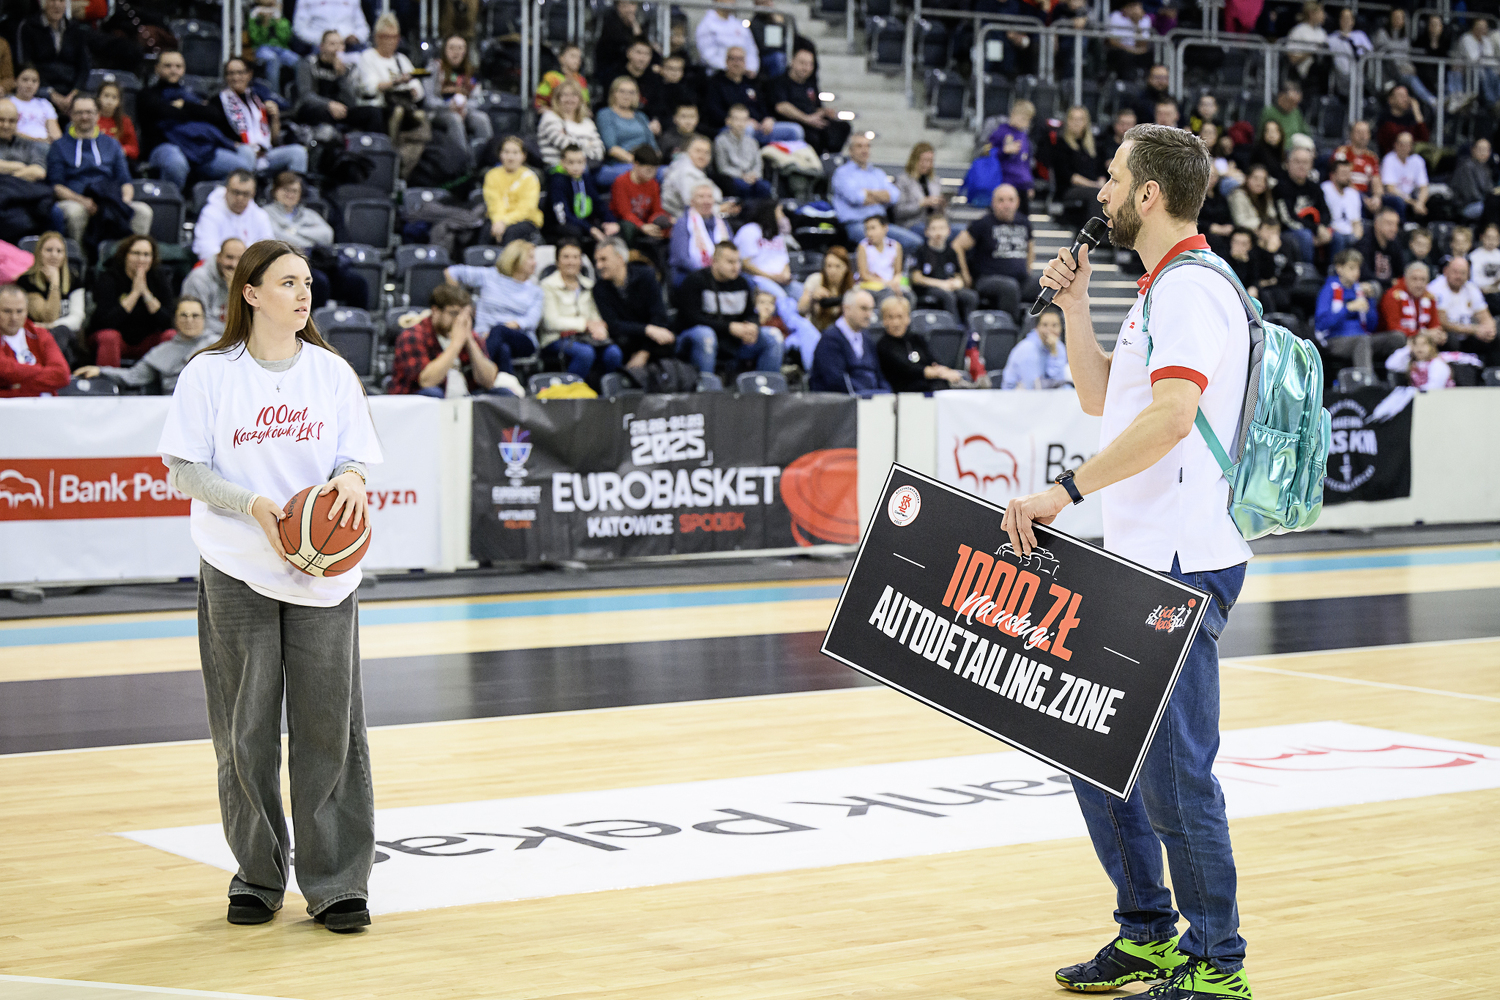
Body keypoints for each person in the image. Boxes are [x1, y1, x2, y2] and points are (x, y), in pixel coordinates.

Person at [1014, 121, 1255, 1000]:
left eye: (1113, 179)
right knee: (1090, 747)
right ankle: (1148, 931)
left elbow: (1172, 419)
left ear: (1149, 194)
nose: (1102, 193)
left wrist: (1064, 491)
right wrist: (1075, 309)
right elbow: (1099, 398)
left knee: (1175, 775)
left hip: (1183, 563)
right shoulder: (1159, 290)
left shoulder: (1190, 288)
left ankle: (1217, 962)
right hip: (1142, 558)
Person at [157, 239, 381, 933]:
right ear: (250, 293)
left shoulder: (332, 371)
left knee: (330, 730)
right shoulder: (210, 372)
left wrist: (350, 479)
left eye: (307, 282)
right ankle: (257, 875)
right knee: (244, 731)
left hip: (323, 577)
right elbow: (185, 469)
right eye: (288, 282)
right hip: (237, 565)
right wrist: (255, 507)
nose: (303, 293)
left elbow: (354, 456)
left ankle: (338, 882)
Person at [46, 94, 153, 246]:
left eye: (89, 112)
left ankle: (129, 256)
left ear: (97, 115)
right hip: (75, 199)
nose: (84, 117)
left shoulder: (112, 144)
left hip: (109, 198)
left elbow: (125, 181)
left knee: (143, 212)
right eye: (79, 113)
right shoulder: (59, 146)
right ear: (71, 115)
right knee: (75, 213)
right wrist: (82, 201)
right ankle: (81, 259)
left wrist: (122, 203)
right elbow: (56, 186)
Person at [674, 241, 782, 375]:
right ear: (714, 262)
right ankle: (705, 385)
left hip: (733, 341)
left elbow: (750, 314)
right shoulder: (695, 281)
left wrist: (752, 325)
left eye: (738, 262)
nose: (736, 267)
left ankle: (766, 385)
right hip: (696, 339)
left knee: (773, 336)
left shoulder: (742, 283)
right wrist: (729, 327)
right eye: (730, 262)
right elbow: (691, 319)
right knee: (705, 335)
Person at [733, 199, 819, 366]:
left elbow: (784, 260)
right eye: (779, 211)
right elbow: (745, 264)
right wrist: (772, 277)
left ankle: (806, 333)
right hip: (758, 279)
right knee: (781, 297)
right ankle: (796, 331)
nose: (782, 216)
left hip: (781, 279)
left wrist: (786, 274)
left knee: (805, 293)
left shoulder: (776, 233)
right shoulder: (749, 230)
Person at [73, 296, 211, 394]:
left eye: (195, 316)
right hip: (174, 408)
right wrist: (100, 371)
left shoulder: (218, 345)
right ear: (175, 319)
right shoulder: (161, 352)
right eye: (184, 315)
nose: (189, 320)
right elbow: (132, 376)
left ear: (204, 319)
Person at [387, 282, 504, 396]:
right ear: (435, 311)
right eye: (454, 313)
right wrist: (456, 344)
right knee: (432, 393)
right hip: (422, 399)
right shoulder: (413, 335)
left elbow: (489, 382)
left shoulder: (470, 335)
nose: (460, 320)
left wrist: (470, 342)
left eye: (466, 314)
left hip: (464, 397)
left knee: (502, 393)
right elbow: (426, 382)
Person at [442, 239, 543, 369]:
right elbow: (451, 272)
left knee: (499, 331)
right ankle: (502, 380)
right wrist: (463, 305)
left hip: (521, 339)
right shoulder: (490, 276)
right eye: (530, 258)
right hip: (486, 337)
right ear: (516, 258)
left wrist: (508, 326)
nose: (535, 263)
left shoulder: (536, 291)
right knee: (503, 350)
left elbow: (531, 320)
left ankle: (475, 369)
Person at [205, 57, 308, 178]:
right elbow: (216, 135)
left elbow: (274, 141)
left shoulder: (257, 98)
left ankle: (292, 188)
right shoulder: (219, 101)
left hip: (265, 153)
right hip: (237, 152)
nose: (235, 77)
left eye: (240, 73)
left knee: (298, 152)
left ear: (249, 74)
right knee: (247, 152)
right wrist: (236, 145)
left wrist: (275, 117)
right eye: (230, 73)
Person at [86, 235, 175, 368]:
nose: (141, 259)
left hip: (147, 339)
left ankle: (168, 380)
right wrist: (134, 294)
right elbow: (105, 322)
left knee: (170, 336)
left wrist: (145, 293)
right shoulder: (109, 278)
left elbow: (168, 322)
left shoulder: (159, 278)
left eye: (146, 255)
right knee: (109, 337)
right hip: (115, 339)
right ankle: (107, 379)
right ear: (125, 255)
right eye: (136, 253)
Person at [950, 184, 1037, 318]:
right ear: (993, 203)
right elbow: (957, 245)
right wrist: (965, 275)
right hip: (987, 279)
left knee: (1050, 284)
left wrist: (1028, 269)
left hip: (1020, 280)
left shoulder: (1024, 222)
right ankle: (1010, 328)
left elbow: (1030, 247)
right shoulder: (983, 223)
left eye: (1010, 200)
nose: (1006, 205)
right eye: (1001, 200)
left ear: (1017, 202)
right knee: (1009, 287)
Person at [539, 240, 621, 380]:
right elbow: (550, 321)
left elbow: (595, 316)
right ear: (557, 261)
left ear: (581, 261)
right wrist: (585, 324)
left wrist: (600, 330)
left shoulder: (589, 285)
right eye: (566, 257)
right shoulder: (547, 285)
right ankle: (571, 389)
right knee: (585, 353)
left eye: (575, 257)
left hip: (586, 338)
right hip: (556, 338)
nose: (571, 262)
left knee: (613, 353)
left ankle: (601, 389)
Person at [593, 237, 674, 369]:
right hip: (625, 344)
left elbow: (659, 316)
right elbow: (613, 325)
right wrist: (647, 329)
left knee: (666, 338)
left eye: (603, 259)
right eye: (596, 261)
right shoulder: (599, 288)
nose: (598, 266)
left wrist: (644, 352)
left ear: (620, 258)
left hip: (651, 344)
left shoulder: (646, 275)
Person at [832, 133, 921, 252]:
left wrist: (868, 193)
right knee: (878, 242)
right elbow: (857, 198)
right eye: (859, 146)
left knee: (916, 242)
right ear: (851, 150)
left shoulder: (878, 173)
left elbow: (894, 196)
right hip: (857, 224)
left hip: (881, 224)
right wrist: (881, 196)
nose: (864, 150)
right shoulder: (842, 173)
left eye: (867, 146)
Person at [1315, 249, 1394, 370]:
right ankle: (1366, 380)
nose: (1356, 273)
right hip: (1335, 340)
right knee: (1362, 341)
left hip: (1363, 336)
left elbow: (1372, 327)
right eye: (1351, 268)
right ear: (1339, 268)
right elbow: (1321, 324)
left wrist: (1370, 303)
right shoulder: (1328, 290)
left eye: (1358, 268)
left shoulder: (1361, 291)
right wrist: (1348, 308)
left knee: (1397, 338)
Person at [702, 46, 800, 143]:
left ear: (745, 62)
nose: (736, 63)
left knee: (795, 131)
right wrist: (741, 121)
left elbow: (763, 105)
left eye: (740, 59)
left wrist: (768, 119)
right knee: (747, 130)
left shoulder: (752, 82)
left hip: (759, 128)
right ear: (726, 61)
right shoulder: (716, 83)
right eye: (733, 59)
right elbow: (714, 112)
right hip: (730, 128)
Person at [294, 30, 381, 134]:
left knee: (373, 112)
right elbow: (305, 95)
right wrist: (329, 105)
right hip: (314, 108)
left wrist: (341, 76)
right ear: (322, 47)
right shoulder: (308, 63)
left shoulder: (347, 68)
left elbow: (351, 102)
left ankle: (373, 142)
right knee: (322, 112)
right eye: (332, 44)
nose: (337, 49)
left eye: (340, 44)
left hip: (340, 110)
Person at [768, 49, 849, 156]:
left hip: (813, 120)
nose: (806, 68)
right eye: (802, 63)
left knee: (842, 127)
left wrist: (824, 112)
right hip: (794, 121)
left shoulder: (810, 84)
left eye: (810, 64)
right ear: (792, 62)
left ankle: (830, 160)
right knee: (812, 136)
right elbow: (781, 106)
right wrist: (806, 118)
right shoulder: (780, 82)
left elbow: (816, 106)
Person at [876, 294, 963, 393]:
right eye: (890, 317)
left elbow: (933, 361)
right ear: (883, 320)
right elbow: (908, 369)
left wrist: (944, 371)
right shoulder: (883, 345)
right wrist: (938, 373)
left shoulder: (916, 338)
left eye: (900, 317)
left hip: (929, 386)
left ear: (908, 318)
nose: (896, 322)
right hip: (904, 391)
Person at [354, 15, 426, 135]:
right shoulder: (368, 57)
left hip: (402, 104)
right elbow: (369, 87)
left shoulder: (401, 59)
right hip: (377, 106)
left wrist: (413, 91)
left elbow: (418, 88)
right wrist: (395, 83)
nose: (391, 41)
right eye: (387, 37)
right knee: (394, 113)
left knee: (419, 115)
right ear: (377, 37)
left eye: (395, 37)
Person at [17, 0, 89, 116]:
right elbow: (26, 64)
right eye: (52, 1)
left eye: (61, 1)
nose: (57, 5)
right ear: (43, 3)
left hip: (70, 92)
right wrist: (51, 93)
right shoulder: (29, 27)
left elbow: (84, 67)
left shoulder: (75, 28)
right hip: (41, 89)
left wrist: (73, 94)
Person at [543, 144, 618, 253]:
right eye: (571, 162)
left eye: (580, 162)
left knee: (612, 230)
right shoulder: (557, 181)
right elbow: (563, 217)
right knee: (575, 232)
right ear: (563, 162)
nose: (576, 167)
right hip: (558, 226)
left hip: (583, 223)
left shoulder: (585, 178)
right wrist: (590, 229)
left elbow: (598, 204)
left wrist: (610, 221)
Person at [808, 288, 885, 393]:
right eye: (863, 309)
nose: (869, 315)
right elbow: (835, 381)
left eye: (871, 309)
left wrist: (886, 393)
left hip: (871, 398)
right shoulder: (830, 339)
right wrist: (870, 395)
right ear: (847, 308)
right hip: (841, 401)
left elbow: (879, 376)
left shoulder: (867, 339)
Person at [0, 283, 68, 396]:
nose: (14, 317)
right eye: (7, 311)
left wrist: (18, 386)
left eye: (19, 311)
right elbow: (4, 369)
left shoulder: (40, 334)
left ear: (27, 311)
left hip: (46, 404)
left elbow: (62, 375)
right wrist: (43, 374)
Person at [193, 170, 275, 263]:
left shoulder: (260, 215)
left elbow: (268, 250)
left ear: (253, 194)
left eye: (245, 194)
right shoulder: (210, 213)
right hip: (219, 267)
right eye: (236, 192)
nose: (240, 198)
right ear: (226, 190)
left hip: (250, 268)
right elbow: (206, 251)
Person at [425, 35, 492, 148]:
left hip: (465, 110)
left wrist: (464, 107)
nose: (456, 52)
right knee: (455, 119)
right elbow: (429, 100)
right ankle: (462, 155)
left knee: (482, 118)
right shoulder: (434, 68)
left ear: (465, 51)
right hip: (439, 111)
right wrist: (449, 106)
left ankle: (485, 153)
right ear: (444, 50)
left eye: (460, 48)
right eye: (451, 48)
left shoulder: (471, 71)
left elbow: (477, 100)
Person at [1432, 255, 1499, 367]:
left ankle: (1492, 373)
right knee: (1451, 339)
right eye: (1455, 272)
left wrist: (1489, 330)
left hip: (1468, 334)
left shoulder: (1471, 288)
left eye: (1463, 273)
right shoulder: (1437, 288)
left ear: (1468, 274)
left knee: (1494, 336)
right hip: (1448, 334)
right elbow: (1442, 322)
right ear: (1446, 271)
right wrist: (1475, 329)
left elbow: (1485, 315)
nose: (1458, 276)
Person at [16, 230, 82, 339]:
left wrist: (52, 326)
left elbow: (77, 318)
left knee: (61, 333)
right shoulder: (27, 280)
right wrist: (55, 284)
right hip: (36, 337)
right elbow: (48, 317)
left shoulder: (73, 278)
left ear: (64, 255)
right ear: (39, 253)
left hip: (67, 336)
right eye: (49, 250)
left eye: (59, 251)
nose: (54, 255)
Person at [1047, 106, 1105, 227]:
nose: (1076, 123)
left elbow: (1101, 170)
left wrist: (1101, 181)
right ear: (1067, 121)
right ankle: (1096, 235)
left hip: (1094, 187)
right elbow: (1069, 176)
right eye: (1073, 119)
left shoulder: (1094, 145)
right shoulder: (1060, 144)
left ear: (1086, 122)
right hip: (1068, 190)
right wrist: (1095, 185)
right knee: (1096, 194)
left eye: (1080, 119)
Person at [908, 216, 975, 321]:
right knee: (947, 296)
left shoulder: (951, 252)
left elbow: (957, 275)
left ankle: (970, 326)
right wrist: (941, 284)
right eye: (934, 229)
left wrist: (958, 283)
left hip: (948, 286)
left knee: (970, 296)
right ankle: (953, 327)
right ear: (926, 232)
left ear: (949, 231)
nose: (938, 232)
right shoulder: (921, 251)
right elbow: (916, 278)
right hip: (927, 288)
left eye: (942, 228)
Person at [610, 145, 670, 262]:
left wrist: (661, 221)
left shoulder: (653, 184)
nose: (651, 174)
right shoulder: (621, 182)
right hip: (623, 224)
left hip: (644, 223)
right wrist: (642, 226)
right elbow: (624, 213)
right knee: (628, 227)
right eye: (648, 170)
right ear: (636, 165)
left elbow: (657, 210)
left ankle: (657, 262)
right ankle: (630, 257)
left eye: (654, 171)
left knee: (663, 222)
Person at [597, 75, 658, 189]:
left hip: (646, 163)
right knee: (638, 173)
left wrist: (651, 163)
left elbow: (654, 147)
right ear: (614, 93)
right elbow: (612, 148)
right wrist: (639, 164)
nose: (626, 96)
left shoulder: (641, 116)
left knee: (668, 172)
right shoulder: (605, 114)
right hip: (619, 164)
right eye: (622, 91)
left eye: (631, 92)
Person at [1274, 146, 1332, 264]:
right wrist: (1315, 229)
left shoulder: (1314, 187)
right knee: (1305, 236)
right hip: (1289, 230)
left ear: (1311, 165)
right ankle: (1307, 270)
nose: (1301, 166)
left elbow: (1326, 212)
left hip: (1313, 229)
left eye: (1305, 162)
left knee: (1338, 236)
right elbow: (1287, 219)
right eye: (1297, 162)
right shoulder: (1281, 187)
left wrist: (1322, 228)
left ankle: (1334, 270)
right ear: (1288, 164)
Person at [484, 135, 543, 244]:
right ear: (500, 154)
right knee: (486, 230)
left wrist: (504, 222)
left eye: (515, 153)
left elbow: (526, 208)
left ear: (523, 156)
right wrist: (498, 221)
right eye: (506, 152)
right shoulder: (492, 175)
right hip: (497, 218)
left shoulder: (529, 177)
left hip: (525, 220)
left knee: (511, 232)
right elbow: (494, 203)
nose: (510, 157)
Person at [182, 237, 245, 340]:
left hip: (232, 339)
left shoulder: (247, 280)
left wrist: (234, 291)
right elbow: (196, 322)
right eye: (229, 257)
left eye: (240, 259)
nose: (234, 264)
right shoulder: (199, 279)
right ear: (218, 257)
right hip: (201, 340)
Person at [670, 182, 730, 287]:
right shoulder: (683, 222)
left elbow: (731, 249)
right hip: (690, 273)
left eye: (709, 197)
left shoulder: (722, 223)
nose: (706, 201)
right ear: (692, 201)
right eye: (701, 197)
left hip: (721, 273)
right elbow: (681, 258)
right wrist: (709, 273)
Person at [537, 80, 605, 168]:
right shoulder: (550, 117)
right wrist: (588, 144)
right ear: (557, 98)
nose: (569, 99)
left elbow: (600, 151)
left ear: (580, 99)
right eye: (565, 95)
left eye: (574, 95)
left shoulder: (587, 122)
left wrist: (571, 139)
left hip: (588, 166)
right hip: (558, 167)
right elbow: (565, 145)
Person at [1000, 306, 1071, 389]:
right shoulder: (1027, 348)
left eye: (1054, 325)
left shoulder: (1059, 347)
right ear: (1037, 327)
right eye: (1045, 325)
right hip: (1017, 394)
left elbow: (1059, 382)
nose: (1049, 330)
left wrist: (1054, 353)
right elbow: (1032, 386)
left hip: (1045, 393)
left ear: (1061, 328)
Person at [986, 99, 1037, 214]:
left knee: (1023, 216)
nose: (1024, 122)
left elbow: (1026, 163)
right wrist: (1003, 151)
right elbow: (987, 153)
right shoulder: (1001, 131)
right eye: (1022, 118)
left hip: (1022, 184)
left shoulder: (1024, 137)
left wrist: (1029, 185)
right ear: (1012, 114)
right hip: (1005, 181)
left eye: (1027, 119)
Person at [1334, 120, 1392, 218]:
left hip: (1366, 193)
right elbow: (1341, 178)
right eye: (1359, 132)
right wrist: (1363, 198)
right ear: (1351, 134)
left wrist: (1377, 197)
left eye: (1365, 133)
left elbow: (1376, 180)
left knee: (1394, 201)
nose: (1362, 136)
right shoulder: (1342, 152)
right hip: (1347, 191)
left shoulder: (1372, 157)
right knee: (1356, 198)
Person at [714, 104, 769, 200]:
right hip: (733, 177)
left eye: (744, 120)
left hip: (752, 177)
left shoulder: (752, 142)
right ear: (728, 121)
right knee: (743, 187)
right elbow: (723, 168)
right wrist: (742, 175)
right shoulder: (720, 141)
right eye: (737, 119)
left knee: (765, 187)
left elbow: (758, 164)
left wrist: (754, 175)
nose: (740, 123)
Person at [660, 135, 723, 219]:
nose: (702, 155)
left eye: (706, 152)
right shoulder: (684, 171)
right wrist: (721, 208)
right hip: (677, 218)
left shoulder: (697, 170)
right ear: (687, 152)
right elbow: (693, 206)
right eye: (698, 151)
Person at [1379, 261, 1442, 341]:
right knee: (1399, 337)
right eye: (1414, 279)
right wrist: (1423, 334)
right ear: (1405, 279)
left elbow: (1434, 325)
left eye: (1423, 280)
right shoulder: (1393, 296)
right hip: (1393, 340)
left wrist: (1439, 335)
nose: (1419, 284)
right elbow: (1394, 328)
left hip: (1421, 339)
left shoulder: (1430, 298)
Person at [594, 0, 649, 88]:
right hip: (611, 67)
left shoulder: (640, 22)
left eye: (632, 4)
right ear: (618, 7)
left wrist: (634, 24)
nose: (629, 9)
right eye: (624, 5)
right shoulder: (610, 22)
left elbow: (643, 43)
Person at [799, 244, 854, 331]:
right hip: (817, 331)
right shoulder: (815, 280)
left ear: (846, 268)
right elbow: (801, 310)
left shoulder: (853, 287)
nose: (833, 271)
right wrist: (812, 297)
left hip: (842, 333)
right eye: (829, 266)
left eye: (837, 266)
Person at [696, 0, 759, 76]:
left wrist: (751, 67)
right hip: (718, 74)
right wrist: (731, 68)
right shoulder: (707, 25)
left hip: (743, 74)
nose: (731, 1)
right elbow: (708, 55)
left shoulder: (739, 25)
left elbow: (751, 50)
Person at [247, 0, 298, 92]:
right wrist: (264, 24)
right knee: (273, 59)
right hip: (261, 48)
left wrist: (278, 21)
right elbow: (256, 40)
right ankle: (274, 93)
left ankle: (299, 93)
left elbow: (285, 38)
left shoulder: (279, 16)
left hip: (280, 48)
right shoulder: (254, 15)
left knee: (298, 60)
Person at [894, 142, 944, 234]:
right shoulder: (903, 180)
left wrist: (941, 204)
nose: (927, 164)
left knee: (961, 231)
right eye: (924, 160)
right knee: (934, 233)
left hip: (933, 223)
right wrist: (921, 203)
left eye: (930, 161)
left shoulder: (935, 181)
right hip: (911, 224)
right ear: (914, 160)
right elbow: (899, 211)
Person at [1381, 131, 1429, 223]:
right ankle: (1401, 226)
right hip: (1395, 197)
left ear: (1411, 146)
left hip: (1412, 197)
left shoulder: (1417, 160)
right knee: (1398, 201)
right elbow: (1391, 189)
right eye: (1401, 144)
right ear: (1395, 145)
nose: (1404, 147)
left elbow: (1424, 187)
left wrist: (1420, 203)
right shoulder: (1389, 159)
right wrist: (1413, 203)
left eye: (1408, 144)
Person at [0, 97, 50, 184]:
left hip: (20, 189)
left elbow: (39, 171)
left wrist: (8, 179)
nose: (6, 126)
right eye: (1, 120)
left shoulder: (28, 144)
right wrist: (20, 166)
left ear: (17, 121)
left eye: (11, 121)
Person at [615, 39, 665, 126]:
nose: (642, 58)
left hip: (647, 124)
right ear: (628, 53)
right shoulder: (615, 75)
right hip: (618, 121)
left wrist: (656, 120)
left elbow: (658, 106)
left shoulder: (655, 79)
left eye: (647, 54)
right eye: (638, 53)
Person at [1283, 1, 1329, 95]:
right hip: (1304, 72)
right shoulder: (1299, 31)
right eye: (1321, 12)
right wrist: (1311, 53)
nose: (1324, 15)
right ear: (1311, 13)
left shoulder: (1322, 32)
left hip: (1321, 72)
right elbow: (1292, 58)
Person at [1321, 154, 1363, 256]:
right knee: (1339, 238)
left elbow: (1356, 222)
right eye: (1343, 173)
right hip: (1332, 231)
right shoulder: (1325, 189)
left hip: (1349, 233)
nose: (1347, 177)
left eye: (1349, 173)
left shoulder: (1354, 194)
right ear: (1332, 175)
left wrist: (1357, 237)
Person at [1326, 6, 1372, 99]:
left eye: (1349, 18)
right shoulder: (1332, 38)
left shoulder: (1360, 35)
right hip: (1341, 76)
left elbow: (1370, 53)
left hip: (1360, 75)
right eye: (1343, 18)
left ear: (1353, 21)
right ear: (1339, 20)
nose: (1346, 21)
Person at [1452, 137, 1500, 225]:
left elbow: (1489, 189)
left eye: (1486, 150)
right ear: (1473, 150)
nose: (1483, 152)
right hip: (1466, 206)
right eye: (1480, 149)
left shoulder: (1485, 168)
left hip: (1482, 203)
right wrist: (1491, 199)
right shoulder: (1466, 167)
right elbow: (1471, 195)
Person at [856, 214, 904, 302]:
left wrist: (895, 282)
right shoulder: (863, 246)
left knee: (908, 295)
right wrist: (886, 283)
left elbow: (898, 272)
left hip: (891, 285)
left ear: (885, 228)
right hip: (871, 286)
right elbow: (864, 275)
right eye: (867, 229)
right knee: (887, 294)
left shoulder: (896, 246)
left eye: (873, 228)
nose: (869, 233)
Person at [1457, 17, 1500, 112]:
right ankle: (1491, 102)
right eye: (1479, 27)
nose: (1482, 30)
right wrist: (1484, 59)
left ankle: (1498, 100)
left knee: (1494, 72)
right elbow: (1473, 58)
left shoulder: (1486, 40)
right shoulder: (1466, 38)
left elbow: (1490, 58)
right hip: (1468, 72)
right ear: (1474, 27)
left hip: (1485, 69)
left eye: (1484, 27)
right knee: (1482, 72)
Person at [1355, 206, 1406, 287]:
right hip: (1371, 288)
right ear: (1377, 224)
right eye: (1389, 224)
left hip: (1390, 289)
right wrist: (1389, 282)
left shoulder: (1395, 243)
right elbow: (1364, 275)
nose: (1394, 229)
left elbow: (1401, 272)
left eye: (1396, 224)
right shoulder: (1364, 243)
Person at [292, 0, 370, 51]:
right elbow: (299, 28)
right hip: (318, 43)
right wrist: (324, 40)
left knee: (365, 53)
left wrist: (357, 37)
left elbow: (362, 26)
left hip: (348, 43)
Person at [1107, 0, 1155, 81]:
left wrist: (1137, 24)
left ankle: (1146, 80)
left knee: (1150, 55)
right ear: (1125, 8)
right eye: (1132, 6)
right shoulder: (1116, 16)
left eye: (1137, 7)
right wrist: (1131, 50)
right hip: (1120, 50)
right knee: (1125, 56)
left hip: (1138, 51)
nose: (1135, 10)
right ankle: (1126, 82)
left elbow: (1142, 45)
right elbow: (1112, 41)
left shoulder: (1145, 19)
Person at [535, 42, 590, 112]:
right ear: (561, 58)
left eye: (579, 57)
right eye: (573, 56)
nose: (577, 60)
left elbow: (585, 103)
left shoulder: (581, 80)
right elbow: (539, 102)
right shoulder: (551, 77)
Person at [1375, 84, 1428, 156]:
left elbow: (1424, 140)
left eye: (1407, 96)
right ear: (1391, 100)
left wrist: (1417, 112)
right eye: (1401, 96)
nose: (1405, 99)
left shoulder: (1411, 119)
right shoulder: (1384, 120)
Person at [10, 65, 59, 142]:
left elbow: (56, 134)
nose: (29, 84)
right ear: (15, 81)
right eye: (25, 80)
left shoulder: (45, 104)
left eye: (34, 81)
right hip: (18, 144)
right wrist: (36, 140)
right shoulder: (8, 103)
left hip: (45, 145)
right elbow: (9, 131)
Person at [1227, 164, 1277, 232]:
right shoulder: (1238, 195)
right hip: (1245, 232)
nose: (1259, 183)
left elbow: (1272, 216)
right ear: (1247, 178)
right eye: (1255, 178)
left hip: (1264, 230)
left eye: (1263, 180)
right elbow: (1240, 222)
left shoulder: (1266, 195)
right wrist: (1263, 225)